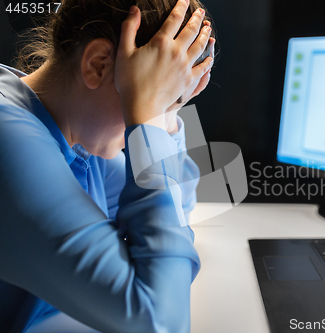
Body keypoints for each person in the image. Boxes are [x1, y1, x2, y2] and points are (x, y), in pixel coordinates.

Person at [0, 0, 215, 332]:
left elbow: (177, 210)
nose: (148, 120)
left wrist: (166, 114)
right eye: (157, 96)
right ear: (98, 65)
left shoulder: (77, 138)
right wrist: (148, 120)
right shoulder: (8, 139)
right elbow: (160, 321)